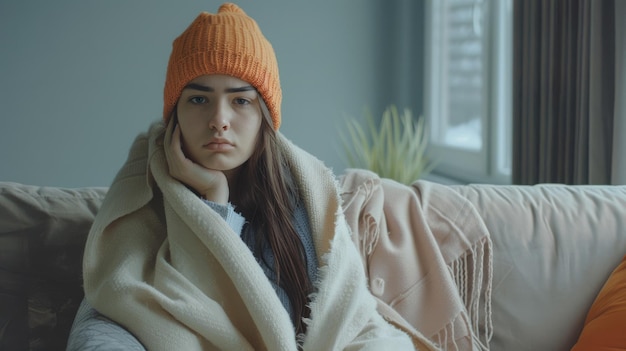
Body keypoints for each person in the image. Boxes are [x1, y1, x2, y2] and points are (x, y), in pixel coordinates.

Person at [67, 3, 433, 350]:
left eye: (240, 101)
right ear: (174, 114)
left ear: (264, 118)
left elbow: (294, 322)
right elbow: (117, 301)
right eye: (198, 99)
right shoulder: (142, 196)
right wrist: (214, 202)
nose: (219, 119)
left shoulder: (297, 198)